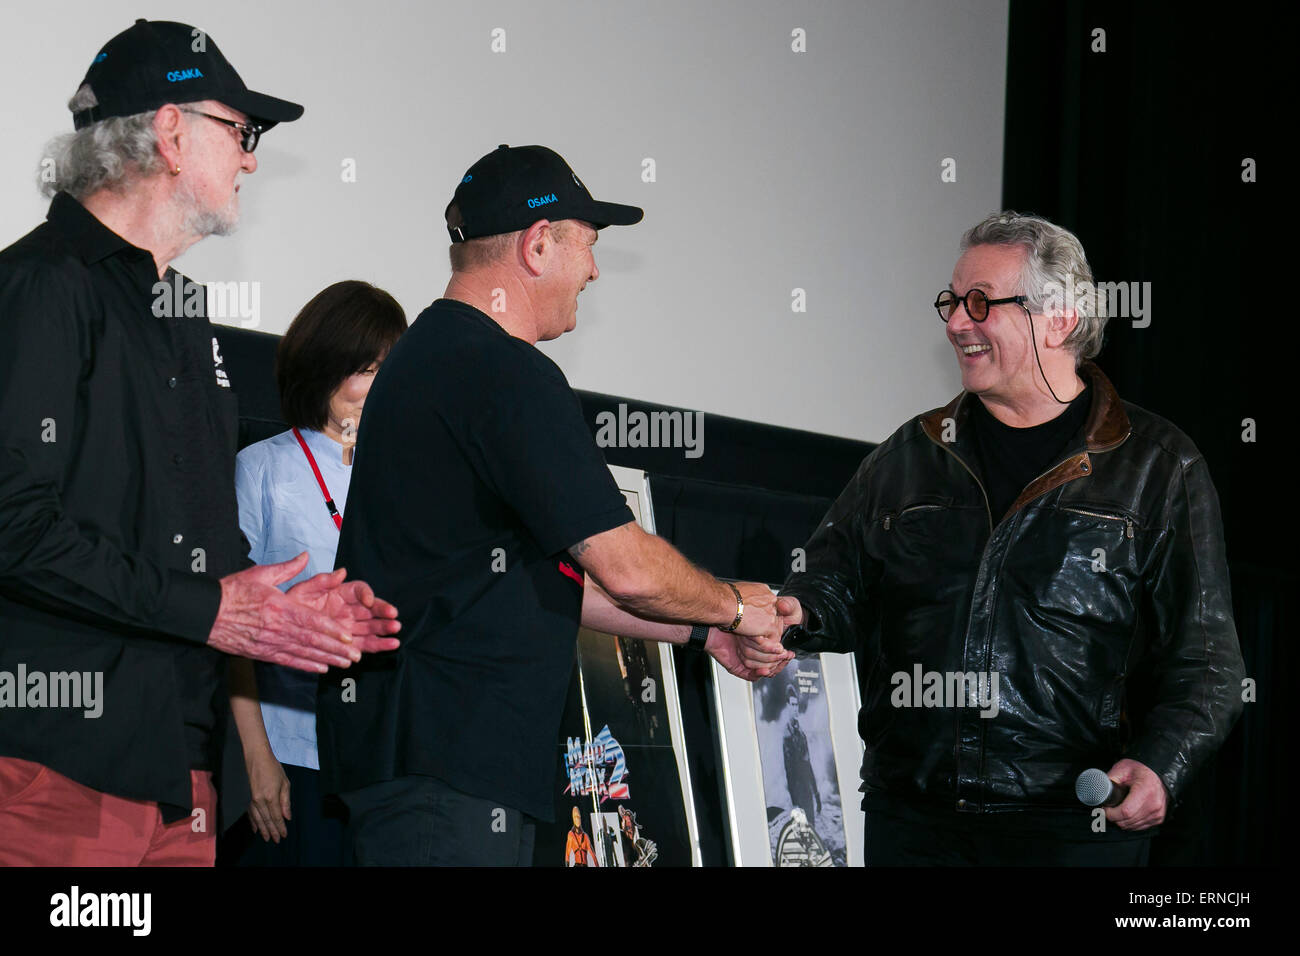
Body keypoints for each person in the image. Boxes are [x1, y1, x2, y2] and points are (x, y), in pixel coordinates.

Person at [317, 144, 791, 866]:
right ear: (539, 245)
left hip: (425, 763)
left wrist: (703, 637)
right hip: (449, 770)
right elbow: (625, 567)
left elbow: (544, 583)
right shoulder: (504, 372)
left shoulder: (426, 356)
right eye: (589, 247)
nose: (595, 271)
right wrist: (732, 605)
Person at [0, 20, 399, 866]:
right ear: (171, 132)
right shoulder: (38, 288)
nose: (252, 158)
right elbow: (13, 527)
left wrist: (291, 612)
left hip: (184, 777)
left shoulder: (186, 317)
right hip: (55, 767)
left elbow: (202, 549)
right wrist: (215, 610)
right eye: (241, 132)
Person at [771, 211, 1245, 865]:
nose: (956, 323)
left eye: (980, 303)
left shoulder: (1159, 465)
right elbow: (831, 581)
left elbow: (1210, 664)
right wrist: (792, 612)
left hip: (1073, 831)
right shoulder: (911, 453)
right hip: (912, 824)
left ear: (1059, 319)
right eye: (951, 302)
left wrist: (1161, 765)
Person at [226, 281, 407, 865]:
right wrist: (257, 755)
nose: (379, 388)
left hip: (386, 761)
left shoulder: (414, 477)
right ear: (324, 368)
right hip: (291, 757)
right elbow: (228, 619)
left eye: (389, 369)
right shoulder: (262, 468)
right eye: (366, 369)